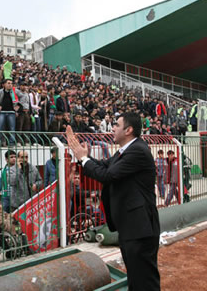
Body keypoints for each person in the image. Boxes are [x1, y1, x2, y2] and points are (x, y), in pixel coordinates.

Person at [66, 112, 160, 291]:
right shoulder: (126, 151)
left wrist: (83, 159)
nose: (113, 128)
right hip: (131, 227)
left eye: (117, 125)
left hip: (140, 228)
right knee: (136, 277)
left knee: (144, 281)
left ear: (129, 130)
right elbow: (103, 166)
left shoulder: (138, 151)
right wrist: (82, 155)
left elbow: (108, 175)